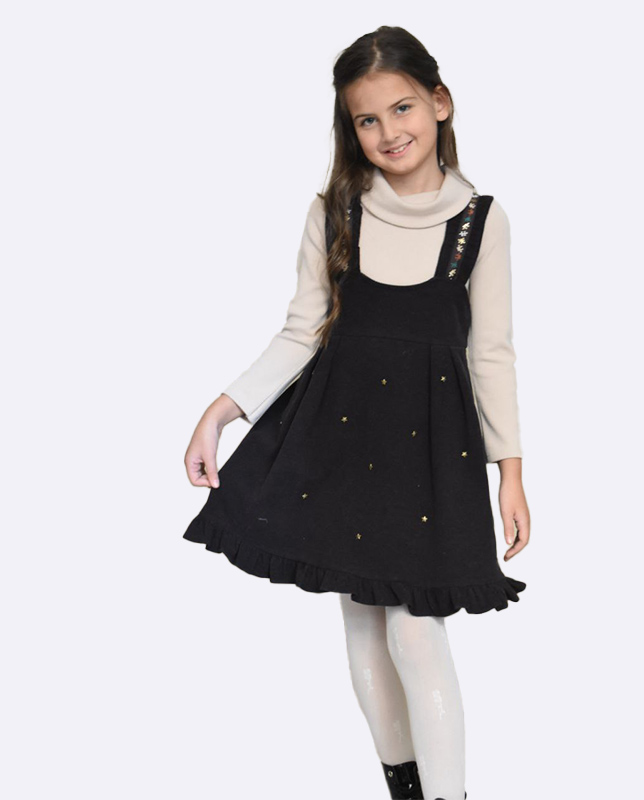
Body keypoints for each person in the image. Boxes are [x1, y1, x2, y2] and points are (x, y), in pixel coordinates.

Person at [182, 25, 530, 800]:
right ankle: (405, 790)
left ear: (440, 103)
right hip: (341, 440)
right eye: (366, 119)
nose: (387, 131)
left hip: (429, 452)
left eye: (402, 108)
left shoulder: (480, 223)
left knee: (416, 630)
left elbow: (492, 353)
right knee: (366, 626)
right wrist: (222, 410)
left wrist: (510, 471)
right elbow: (301, 331)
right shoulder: (337, 212)